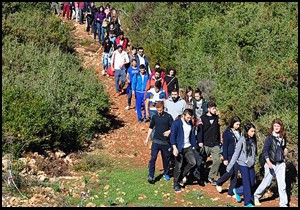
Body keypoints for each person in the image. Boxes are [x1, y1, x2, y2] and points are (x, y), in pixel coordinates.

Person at [254, 118, 288, 207]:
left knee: (282, 184)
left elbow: (284, 148)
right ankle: (256, 196)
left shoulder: (283, 137)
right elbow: (265, 151)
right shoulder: (269, 138)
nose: (276, 127)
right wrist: (268, 162)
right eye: (275, 126)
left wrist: (285, 152)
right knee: (267, 183)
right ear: (272, 127)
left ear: (281, 127)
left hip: (281, 164)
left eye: (278, 126)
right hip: (271, 163)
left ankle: (283, 204)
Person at [226, 122, 257, 207]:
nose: (253, 133)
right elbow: (236, 154)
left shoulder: (253, 140)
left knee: (252, 182)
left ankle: (238, 191)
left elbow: (254, 153)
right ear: (247, 131)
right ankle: (247, 202)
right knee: (246, 182)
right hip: (242, 164)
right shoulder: (242, 140)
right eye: (251, 131)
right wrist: (230, 165)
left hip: (251, 164)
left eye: (254, 131)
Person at [170, 108, 199, 193]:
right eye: (188, 117)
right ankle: (176, 184)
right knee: (178, 167)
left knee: (192, 162)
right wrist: (174, 148)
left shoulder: (189, 123)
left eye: (190, 118)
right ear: (184, 115)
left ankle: (181, 177)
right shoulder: (176, 123)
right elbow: (173, 136)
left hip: (188, 147)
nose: (189, 119)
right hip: (179, 148)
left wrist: (194, 145)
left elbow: (191, 135)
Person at [144, 102, 174, 184]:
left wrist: (169, 131)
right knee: (153, 158)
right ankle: (151, 175)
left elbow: (173, 127)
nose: (159, 112)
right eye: (158, 110)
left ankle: (166, 173)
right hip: (156, 141)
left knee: (166, 159)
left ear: (163, 108)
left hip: (165, 142)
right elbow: (151, 127)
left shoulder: (168, 117)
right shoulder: (155, 117)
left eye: (160, 110)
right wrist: (147, 139)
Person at [215, 116, 242, 198]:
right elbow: (225, 146)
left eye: (239, 124)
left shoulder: (239, 132)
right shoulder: (227, 133)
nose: (238, 126)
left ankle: (231, 191)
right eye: (237, 124)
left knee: (235, 174)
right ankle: (219, 182)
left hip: (237, 155)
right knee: (230, 172)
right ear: (232, 123)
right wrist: (225, 158)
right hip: (230, 155)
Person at [197, 101, 221, 186]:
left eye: (215, 108)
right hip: (205, 143)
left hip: (215, 143)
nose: (215, 110)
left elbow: (219, 131)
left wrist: (219, 141)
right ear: (208, 109)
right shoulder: (202, 118)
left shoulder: (217, 118)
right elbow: (199, 131)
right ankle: (201, 178)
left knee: (217, 160)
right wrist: (200, 141)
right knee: (202, 161)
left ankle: (211, 177)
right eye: (213, 108)